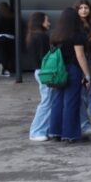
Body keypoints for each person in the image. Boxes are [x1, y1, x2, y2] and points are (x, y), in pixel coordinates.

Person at [48, 7, 91, 142]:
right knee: (71, 102)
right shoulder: (77, 34)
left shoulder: (55, 34)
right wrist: (87, 75)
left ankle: (55, 132)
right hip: (72, 69)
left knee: (57, 101)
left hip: (57, 70)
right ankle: (70, 134)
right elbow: (80, 56)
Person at [27, 12, 54, 141]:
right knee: (46, 102)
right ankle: (37, 130)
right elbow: (46, 57)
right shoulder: (42, 37)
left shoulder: (32, 36)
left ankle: (41, 129)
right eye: (46, 20)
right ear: (41, 22)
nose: (49, 23)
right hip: (45, 72)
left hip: (39, 71)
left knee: (47, 101)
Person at [76, 0, 91, 135]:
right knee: (84, 91)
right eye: (81, 8)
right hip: (81, 59)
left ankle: (90, 119)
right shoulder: (75, 26)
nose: (83, 10)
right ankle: (84, 123)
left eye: (86, 7)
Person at [0, 2, 16, 77]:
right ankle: (5, 70)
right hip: (10, 38)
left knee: (2, 55)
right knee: (8, 56)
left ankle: (1, 71)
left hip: (1, 38)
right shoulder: (12, 16)